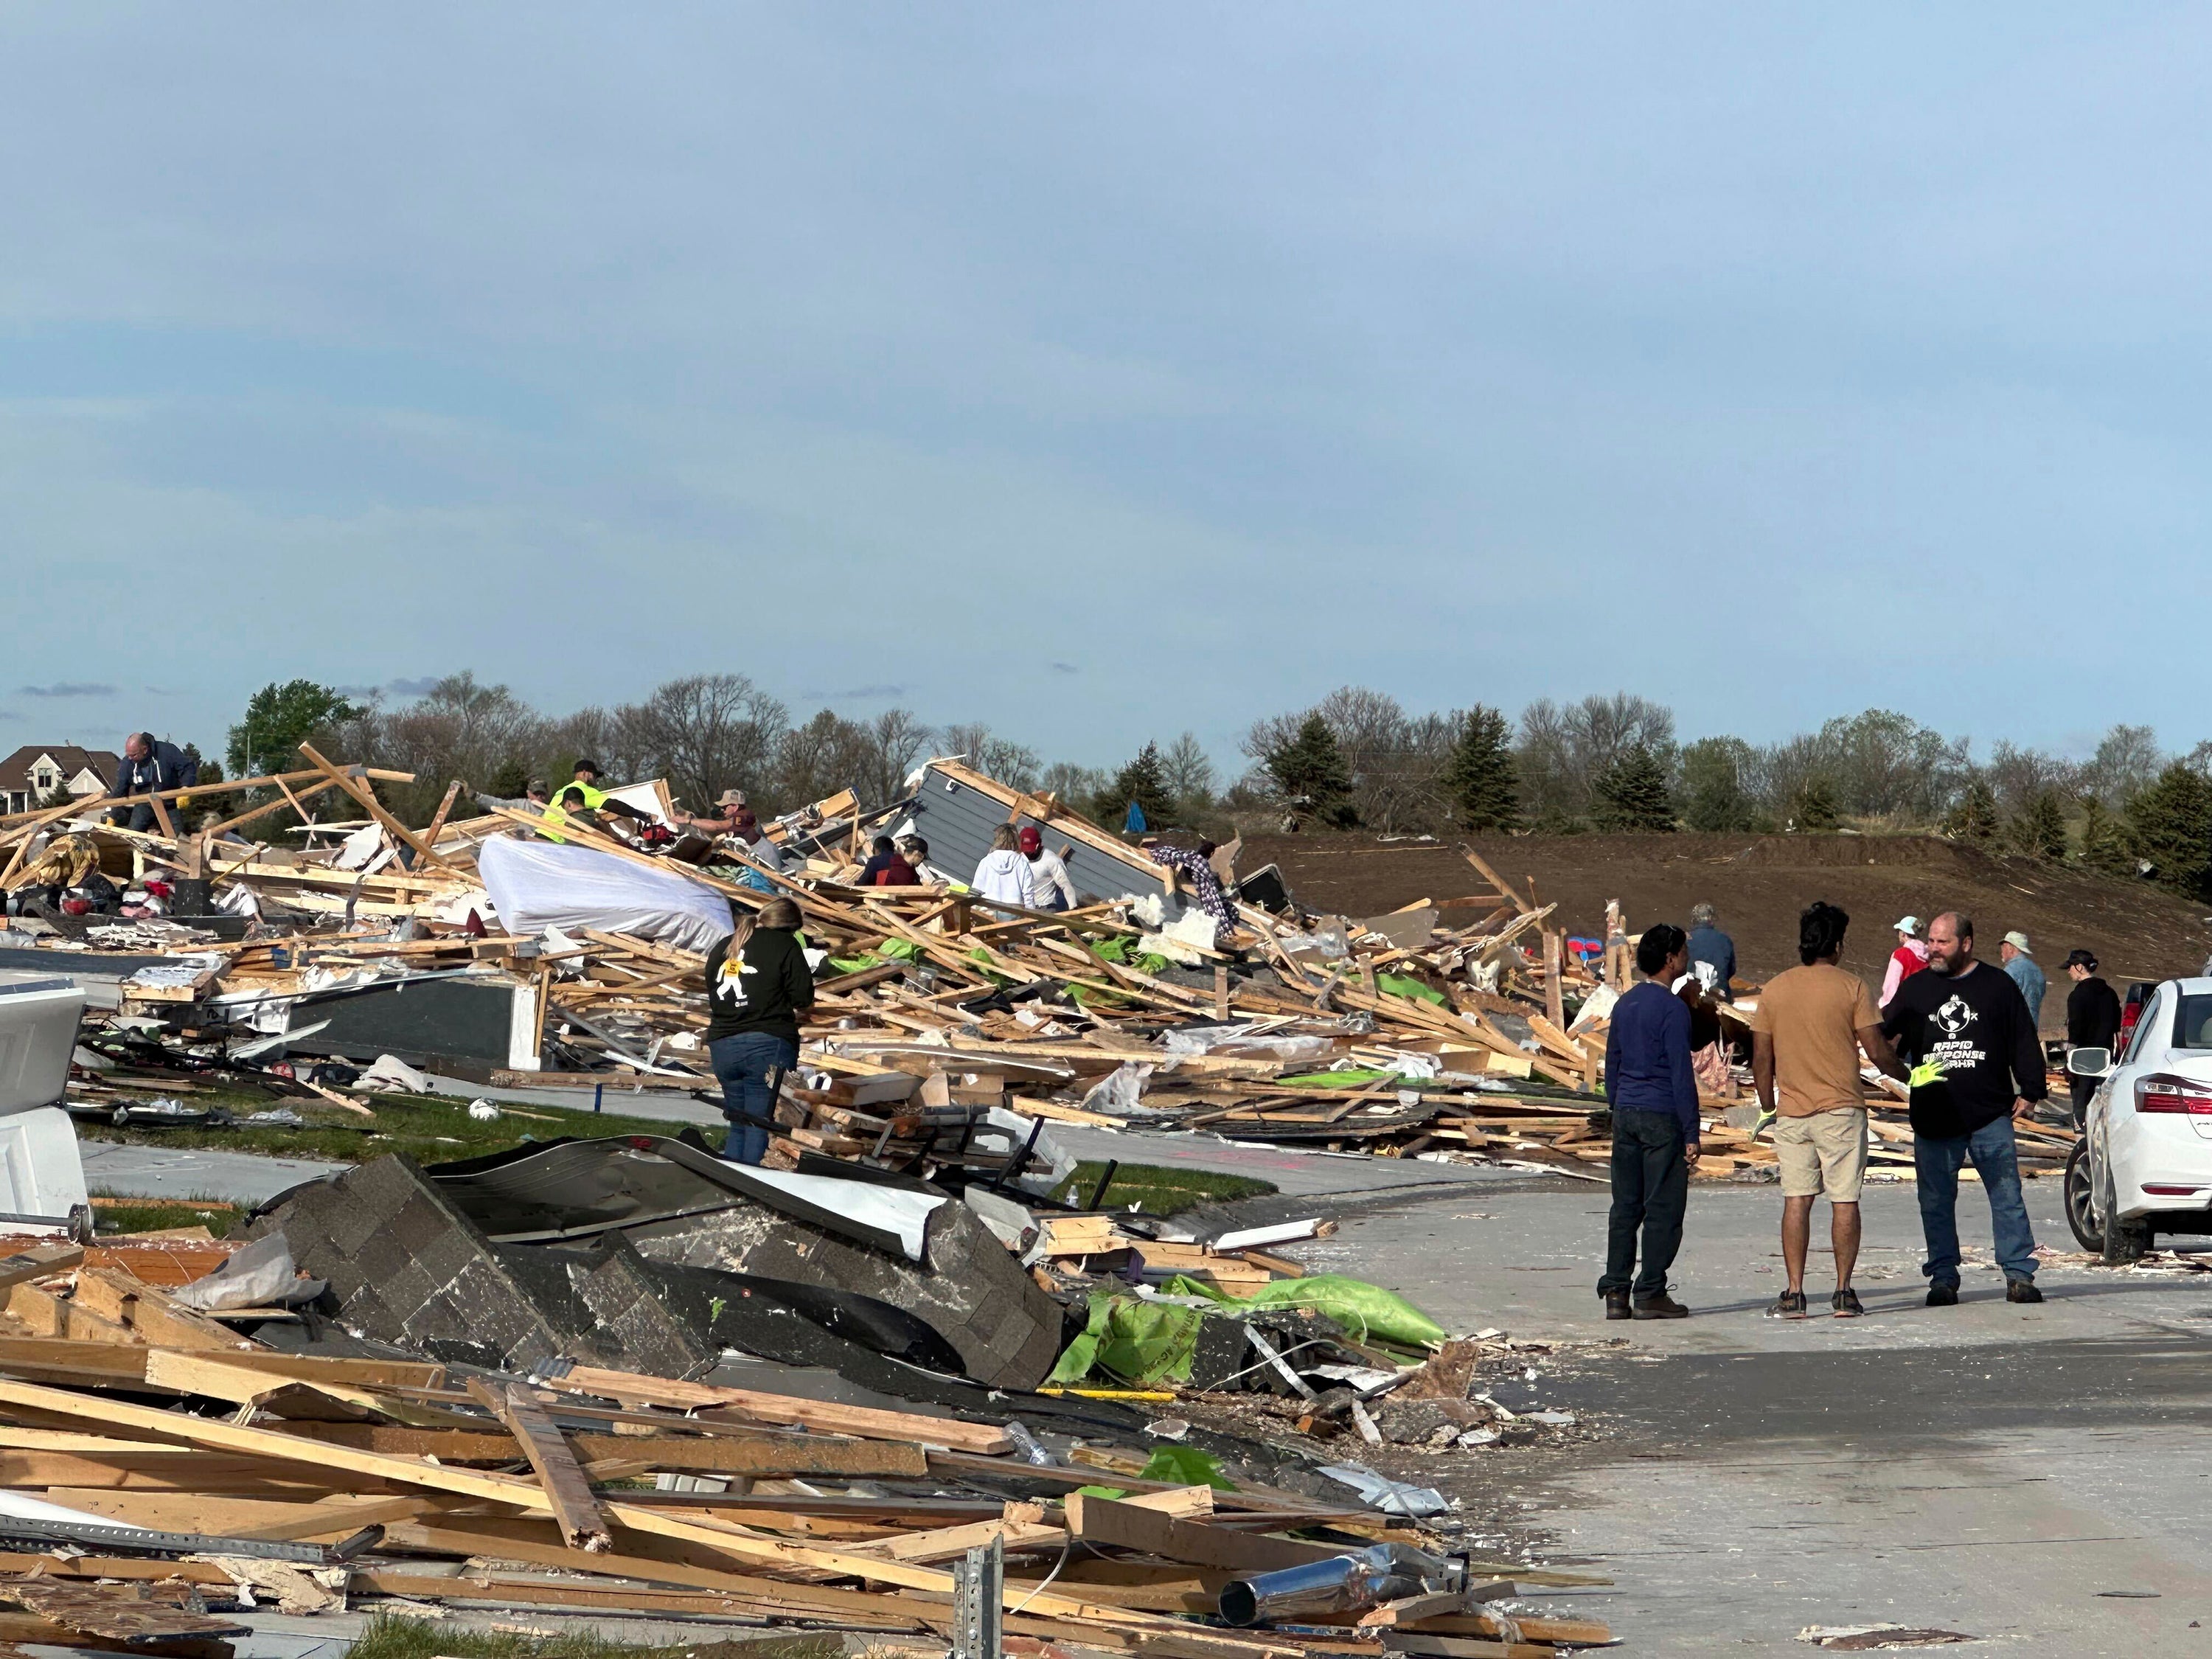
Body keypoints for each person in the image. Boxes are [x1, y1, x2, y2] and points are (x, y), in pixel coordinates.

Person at [1743, 902, 1906, 1320]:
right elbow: (1877, 1051)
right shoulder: (1852, 987)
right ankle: (1843, 1292)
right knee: (1845, 1200)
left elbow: (1761, 1057)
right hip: (1841, 1110)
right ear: (1836, 945)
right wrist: (1910, 1076)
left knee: (1796, 1200)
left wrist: (1767, 1104)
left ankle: (1795, 1293)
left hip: (1793, 1111)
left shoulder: (1775, 989)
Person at [1882, 912, 2048, 1306]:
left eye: (1942, 942)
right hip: (1935, 1114)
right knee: (1936, 1199)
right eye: (1932, 942)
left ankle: (2019, 1274)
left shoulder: (1997, 985)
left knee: (2007, 1194)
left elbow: (2022, 1037)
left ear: (1966, 943)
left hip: (1990, 1112)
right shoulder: (1917, 988)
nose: (1933, 949)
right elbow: (1883, 1035)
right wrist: (1898, 1072)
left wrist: (2032, 1088)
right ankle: (1943, 1277)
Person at [1598, 922, 1700, 1320]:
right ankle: (1651, 1291)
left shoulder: (1626, 1004)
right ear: (1671, 959)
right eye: (1684, 952)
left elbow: (1613, 1061)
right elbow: (1680, 1074)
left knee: (1625, 1205)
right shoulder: (1672, 1009)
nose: (1686, 959)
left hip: (1627, 1113)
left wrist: (1616, 1108)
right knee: (1663, 1207)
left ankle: (1616, 1292)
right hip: (1661, 1115)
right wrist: (1691, 1132)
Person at [702, 896, 813, 1164]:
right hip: (766, 1043)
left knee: (738, 1121)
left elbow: (712, 991)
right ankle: (753, 1180)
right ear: (790, 927)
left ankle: (730, 1178)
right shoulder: (785, 945)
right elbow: (802, 996)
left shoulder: (723, 946)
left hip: (723, 1044)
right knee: (759, 1124)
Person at [2063, 948, 2123, 1130]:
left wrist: (2069, 1056)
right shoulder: (2110, 993)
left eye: (2071, 967)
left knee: (2081, 1094)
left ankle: (2081, 1128)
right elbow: (2116, 1027)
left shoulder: (2077, 996)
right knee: (2099, 1094)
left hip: (2082, 1054)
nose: (2068, 971)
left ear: (2080, 967)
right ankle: (2097, 1128)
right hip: (2104, 1053)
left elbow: (2075, 1028)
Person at [107, 733, 198, 832]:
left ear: (145, 750)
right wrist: (113, 815)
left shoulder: (166, 752)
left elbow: (187, 767)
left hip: (169, 803)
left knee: (177, 836)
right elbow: (121, 788)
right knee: (134, 833)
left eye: (134, 755)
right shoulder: (128, 764)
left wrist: (185, 789)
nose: (130, 758)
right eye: (128, 754)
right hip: (144, 802)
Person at [972, 824, 1035, 910]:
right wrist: (1031, 918)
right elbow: (1028, 894)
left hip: (988, 909)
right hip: (1013, 911)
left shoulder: (986, 861)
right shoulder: (1022, 863)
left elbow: (976, 891)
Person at [1020, 827, 1079, 912]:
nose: (1028, 853)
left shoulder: (1051, 860)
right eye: (1026, 851)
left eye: (1030, 851)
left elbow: (1065, 885)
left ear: (1038, 845)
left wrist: (1073, 908)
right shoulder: (1020, 859)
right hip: (1025, 906)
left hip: (1046, 906)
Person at [1685, 902, 1736, 1000]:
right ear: (1711, 919)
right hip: (1719, 993)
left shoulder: (1685, 940)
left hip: (1691, 993)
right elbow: (1731, 970)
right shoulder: (1725, 939)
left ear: (1694, 920)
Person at [1999, 931, 2047, 1032]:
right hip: (2032, 1027)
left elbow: (2002, 1000)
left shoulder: (2011, 970)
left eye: (2003, 947)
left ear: (2011, 948)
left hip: (2014, 1029)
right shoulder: (2037, 970)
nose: (2001, 951)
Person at [1880, 917, 1930, 1009]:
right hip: (1923, 1006)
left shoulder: (1901, 955)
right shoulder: (1929, 955)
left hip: (1903, 1007)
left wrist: (1886, 1007)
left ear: (1903, 934)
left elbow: (1891, 986)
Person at [855, 835, 919, 887]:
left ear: (876, 849)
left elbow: (863, 882)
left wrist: (854, 884)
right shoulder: (904, 860)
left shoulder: (874, 861)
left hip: (884, 896)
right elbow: (916, 880)